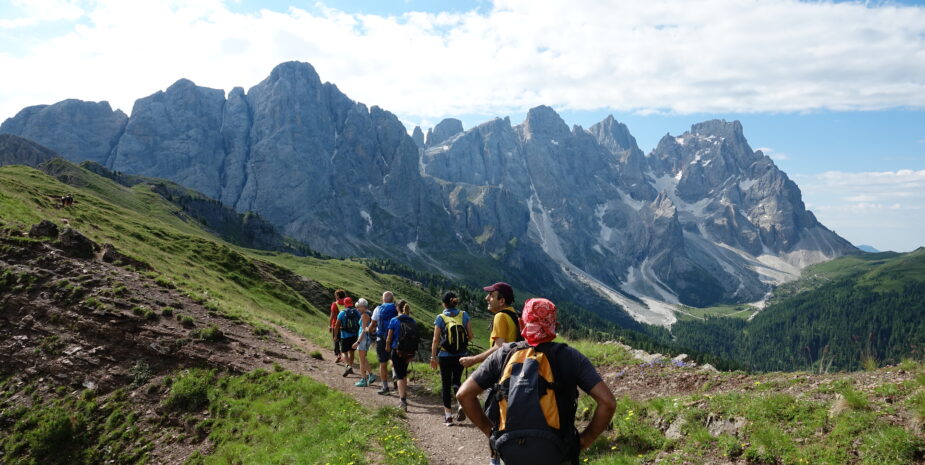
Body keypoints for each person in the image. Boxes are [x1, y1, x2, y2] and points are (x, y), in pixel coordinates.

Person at [457, 298, 616, 465]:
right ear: (554, 324)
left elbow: (464, 394)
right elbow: (608, 402)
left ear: (521, 323)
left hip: (511, 451)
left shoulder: (503, 355)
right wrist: (584, 440)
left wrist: (491, 433)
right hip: (558, 452)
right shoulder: (570, 357)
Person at [430, 291, 474, 426]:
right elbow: (471, 336)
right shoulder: (464, 315)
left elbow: (436, 339)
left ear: (444, 304)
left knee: (446, 383)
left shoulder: (440, 317)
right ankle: (461, 404)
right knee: (457, 381)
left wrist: (433, 356)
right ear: (455, 302)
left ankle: (448, 417)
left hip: (445, 356)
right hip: (461, 355)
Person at [460, 282, 520, 368]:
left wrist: (473, 360)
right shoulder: (514, 313)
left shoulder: (500, 316)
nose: (486, 298)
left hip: (502, 366)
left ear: (501, 301)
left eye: (492, 296)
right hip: (512, 364)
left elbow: (499, 347)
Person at [386, 299, 417, 411]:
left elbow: (389, 336)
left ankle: (402, 400)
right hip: (409, 352)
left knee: (399, 375)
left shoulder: (394, 320)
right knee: (403, 373)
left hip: (397, 350)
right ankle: (404, 393)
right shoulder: (412, 321)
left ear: (397, 308)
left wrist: (387, 346)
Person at [367, 291, 398, 395]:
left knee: (383, 363)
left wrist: (369, 330)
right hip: (394, 339)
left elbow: (373, 324)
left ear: (383, 299)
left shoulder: (378, 309)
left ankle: (385, 387)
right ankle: (395, 374)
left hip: (382, 339)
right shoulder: (396, 308)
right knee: (393, 359)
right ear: (392, 299)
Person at [351, 298, 378, 387]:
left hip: (363, 339)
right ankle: (371, 375)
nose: (357, 309)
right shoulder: (369, 313)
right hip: (366, 339)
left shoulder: (364, 315)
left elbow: (363, 330)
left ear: (363, 306)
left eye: (358, 307)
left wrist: (357, 342)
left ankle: (363, 379)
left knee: (361, 360)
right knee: (363, 358)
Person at [334, 297, 360, 377]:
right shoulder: (357, 312)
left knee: (343, 352)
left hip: (344, 336)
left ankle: (348, 366)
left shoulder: (342, 313)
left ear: (345, 304)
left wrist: (335, 336)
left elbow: (337, 325)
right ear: (352, 303)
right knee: (351, 352)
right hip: (355, 335)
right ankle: (350, 367)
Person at [329, 289, 348, 364]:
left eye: (335, 295)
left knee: (336, 340)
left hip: (336, 325)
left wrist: (330, 325)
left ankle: (338, 355)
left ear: (337, 296)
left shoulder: (335, 304)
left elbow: (333, 315)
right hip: (345, 326)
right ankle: (345, 355)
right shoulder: (346, 303)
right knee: (343, 341)